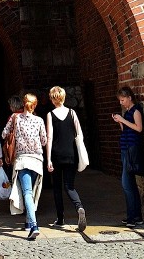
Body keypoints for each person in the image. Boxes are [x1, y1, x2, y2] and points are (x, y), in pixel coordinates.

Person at [2, 92, 47, 240]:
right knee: (32, 192)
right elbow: (44, 141)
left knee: (27, 192)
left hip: (22, 160)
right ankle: (28, 222)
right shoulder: (39, 120)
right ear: (34, 105)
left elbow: (4, 134)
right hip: (36, 160)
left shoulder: (16, 118)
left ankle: (33, 224)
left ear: (24, 103)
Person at [46, 86, 87, 232]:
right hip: (71, 154)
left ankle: (60, 218)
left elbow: (49, 137)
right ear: (63, 98)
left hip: (57, 154)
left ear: (52, 99)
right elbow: (79, 134)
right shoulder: (72, 112)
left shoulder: (50, 115)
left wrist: (49, 158)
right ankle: (79, 207)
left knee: (57, 187)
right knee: (69, 186)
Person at [112, 85, 144, 227]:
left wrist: (123, 120)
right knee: (129, 184)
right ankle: (135, 216)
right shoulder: (127, 112)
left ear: (129, 98)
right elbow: (125, 130)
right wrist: (120, 121)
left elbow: (138, 128)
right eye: (120, 100)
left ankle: (133, 216)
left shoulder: (136, 110)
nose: (121, 103)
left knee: (126, 184)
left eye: (123, 100)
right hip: (125, 148)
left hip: (132, 149)